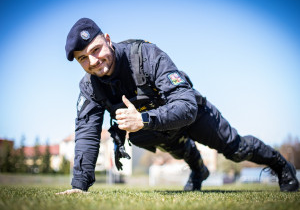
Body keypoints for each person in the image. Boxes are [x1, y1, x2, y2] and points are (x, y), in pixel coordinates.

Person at [56, 18, 299, 194]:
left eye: (96, 50)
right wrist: (79, 185)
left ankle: (280, 165)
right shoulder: (89, 86)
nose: (93, 61)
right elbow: (87, 133)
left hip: (192, 115)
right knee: (149, 139)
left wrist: (144, 119)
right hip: (157, 130)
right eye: (83, 59)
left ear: (107, 40)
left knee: (236, 150)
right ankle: (198, 171)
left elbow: (186, 104)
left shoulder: (145, 56)